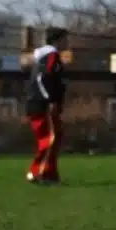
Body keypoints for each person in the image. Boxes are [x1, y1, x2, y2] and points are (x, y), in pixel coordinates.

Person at [25, 27, 69, 185]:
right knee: (49, 139)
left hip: (39, 103)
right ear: (57, 40)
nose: (67, 42)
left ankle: (48, 174)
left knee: (53, 138)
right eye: (64, 39)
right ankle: (38, 172)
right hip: (42, 104)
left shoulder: (48, 56)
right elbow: (43, 78)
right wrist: (50, 100)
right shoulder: (51, 55)